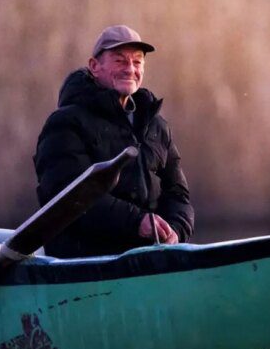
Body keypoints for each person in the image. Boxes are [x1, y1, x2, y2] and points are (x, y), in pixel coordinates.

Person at [34, 25, 194, 258]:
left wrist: (175, 233)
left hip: (151, 263)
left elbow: (179, 195)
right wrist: (137, 222)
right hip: (85, 269)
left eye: (137, 62)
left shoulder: (157, 126)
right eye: (119, 61)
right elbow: (69, 198)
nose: (130, 69)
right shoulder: (65, 123)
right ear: (94, 66)